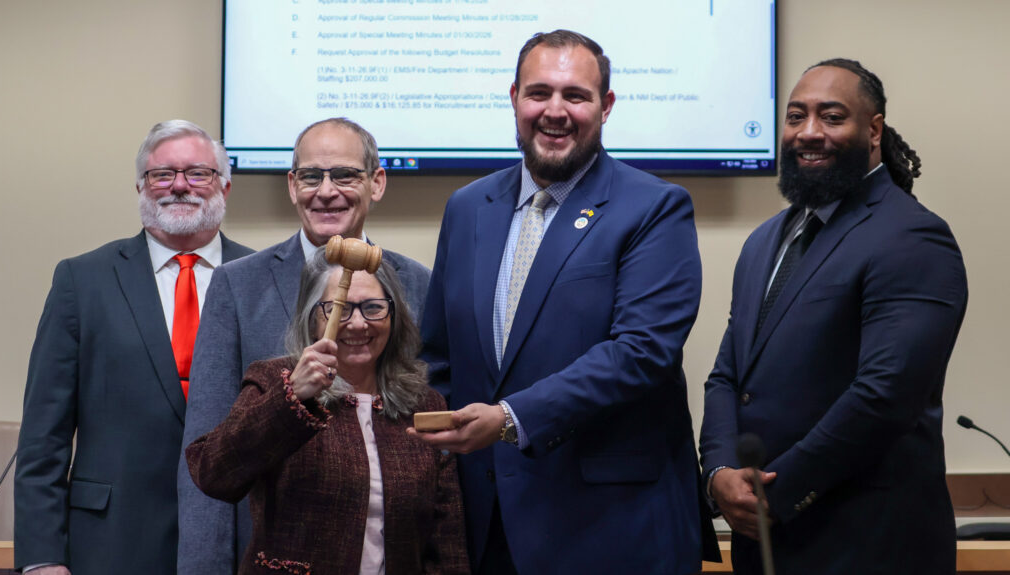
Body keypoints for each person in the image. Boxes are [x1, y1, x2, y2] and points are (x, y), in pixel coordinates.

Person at [411, 30, 716, 574]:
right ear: (513, 99)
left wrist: (510, 418)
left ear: (606, 107)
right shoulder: (467, 207)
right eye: (539, 93)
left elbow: (641, 352)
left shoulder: (655, 207)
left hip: (612, 527)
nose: (555, 111)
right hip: (489, 523)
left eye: (575, 95)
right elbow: (438, 356)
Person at [699, 59, 968, 575]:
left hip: (869, 545)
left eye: (832, 116)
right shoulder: (764, 242)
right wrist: (719, 473)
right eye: (796, 116)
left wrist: (777, 494)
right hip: (766, 547)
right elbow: (728, 376)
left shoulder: (912, 237)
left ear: (873, 130)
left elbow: (884, 395)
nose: (809, 132)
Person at [177, 117, 432, 574]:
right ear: (293, 186)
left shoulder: (418, 285)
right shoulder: (238, 285)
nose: (326, 191)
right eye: (312, 176)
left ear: (377, 183)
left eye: (345, 175)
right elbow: (206, 446)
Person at [14, 120, 254, 574]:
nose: (179, 186)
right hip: (111, 542)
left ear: (224, 185)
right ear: (140, 187)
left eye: (197, 173)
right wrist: (41, 559)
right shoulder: (82, 281)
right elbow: (43, 439)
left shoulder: (261, 278)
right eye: (162, 174)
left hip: (237, 539)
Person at [185, 250, 469, 575]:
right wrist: (291, 396)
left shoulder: (425, 403)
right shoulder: (274, 381)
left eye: (374, 308)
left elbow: (446, 538)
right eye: (339, 309)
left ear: (394, 315)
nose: (359, 323)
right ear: (314, 317)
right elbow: (214, 475)